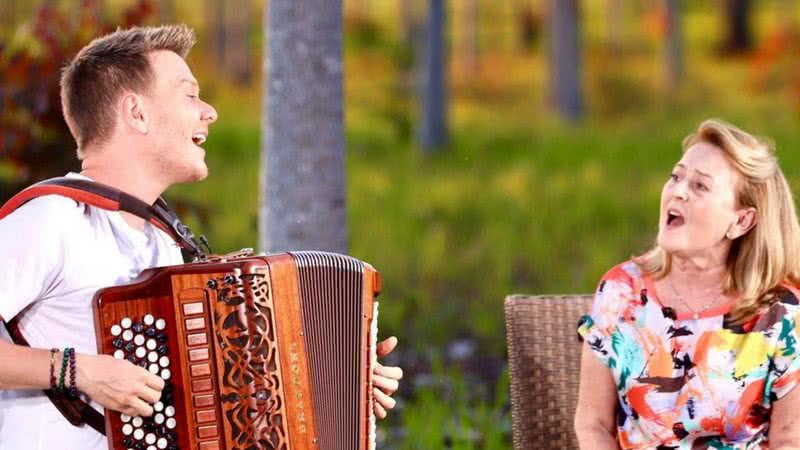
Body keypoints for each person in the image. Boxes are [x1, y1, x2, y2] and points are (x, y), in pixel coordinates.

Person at [0, 24, 402, 449]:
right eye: (189, 95)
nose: (209, 111)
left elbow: (210, 399)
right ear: (137, 113)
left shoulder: (164, 246)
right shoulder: (53, 220)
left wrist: (337, 377)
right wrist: (79, 370)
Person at [574, 119, 800, 449]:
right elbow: (592, 422)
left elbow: (789, 440)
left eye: (700, 186)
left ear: (741, 221)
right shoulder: (621, 291)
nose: (677, 191)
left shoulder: (782, 314)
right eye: (677, 177)